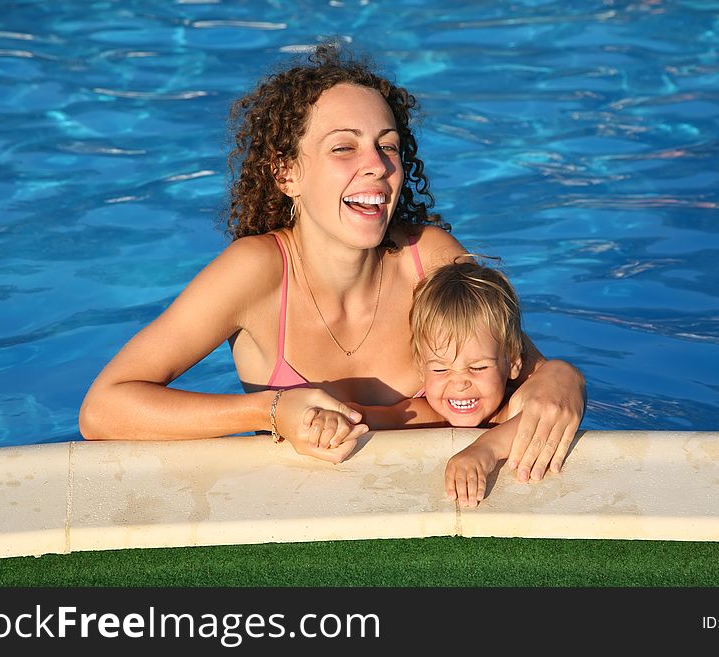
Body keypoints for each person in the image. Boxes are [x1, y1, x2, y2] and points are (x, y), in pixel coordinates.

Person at [78, 42, 585, 479]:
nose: (377, 164)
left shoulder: (427, 258)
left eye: (388, 147)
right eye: (344, 148)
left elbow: (526, 373)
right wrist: (271, 411)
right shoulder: (256, 272)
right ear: (286, 174)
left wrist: (565, 375)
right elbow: (103, 409)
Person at [409, 258, 533, 507]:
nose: (459, 383)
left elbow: (543, 419)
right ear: (421, 370)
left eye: (477, 367)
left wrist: (485, 450)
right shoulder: (423, 415)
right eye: (440, 368)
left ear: (513, 362)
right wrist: (332, 422)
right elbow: (363, 417)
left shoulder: (513, 411)